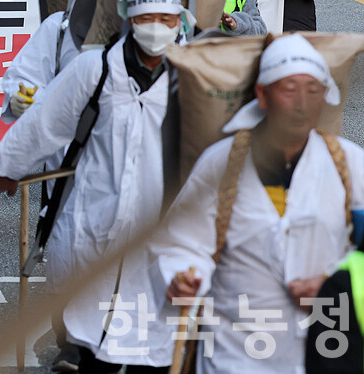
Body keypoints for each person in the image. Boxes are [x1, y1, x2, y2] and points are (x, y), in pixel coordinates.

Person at [0, 0, 185, 373]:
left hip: (158, 225)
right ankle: (75, 353)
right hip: (92, 215)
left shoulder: (192, 77)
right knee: (89, 335)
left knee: (152, 339)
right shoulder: (94, 70)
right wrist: (6, 167)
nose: (157, 27)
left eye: (167, 17)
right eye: (147, 16)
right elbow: (45, 122)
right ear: (127, 15)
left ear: (180, 19)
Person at [151, 35, 364, 374]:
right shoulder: (220, 165)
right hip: (234, 356)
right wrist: (181, 277)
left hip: (325, 355)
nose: (302, 103)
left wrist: (330, 285)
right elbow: (182, 242)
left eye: (313, 90)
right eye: (289, 89)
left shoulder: (350, 165)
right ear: (262, 95)